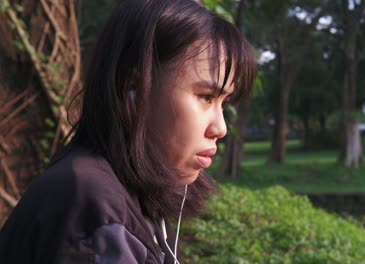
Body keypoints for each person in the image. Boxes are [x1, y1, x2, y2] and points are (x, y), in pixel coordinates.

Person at [0, 0, 256, 263]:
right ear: (133, 92)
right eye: (205, 96)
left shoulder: (132, 193)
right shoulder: (94, 207)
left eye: (223, 102)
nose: (220, 128)